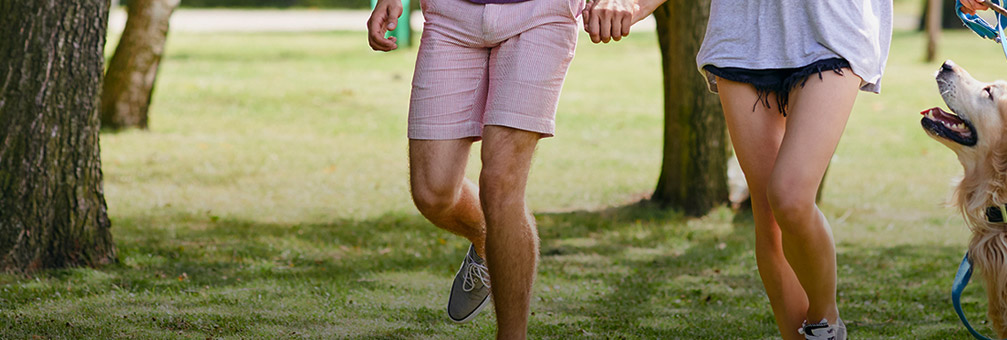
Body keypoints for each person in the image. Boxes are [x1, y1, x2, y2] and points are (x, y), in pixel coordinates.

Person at [583, 0, 892, 338]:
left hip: (832, 25)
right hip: (744, 28)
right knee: (770, 217)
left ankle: (825, 323)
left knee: (789, 196)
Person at [366, 0, 591, 337]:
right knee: (433, 193)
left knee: (501, 183)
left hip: (540, 12)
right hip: (451, 13)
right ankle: (490, 238)